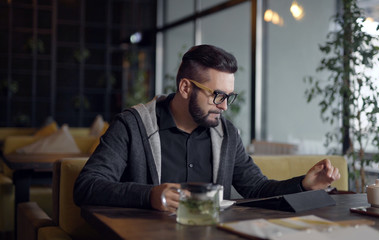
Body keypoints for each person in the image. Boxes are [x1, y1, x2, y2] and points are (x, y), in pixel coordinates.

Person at [73, 44, 340, 212]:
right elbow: (86, 187)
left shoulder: (226, 134)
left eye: (229, 97)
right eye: (218, 96)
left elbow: (256, 188)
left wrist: (304, 185)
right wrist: (150, 196)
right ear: (186, 87)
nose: (224, 107)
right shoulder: (131, 126)